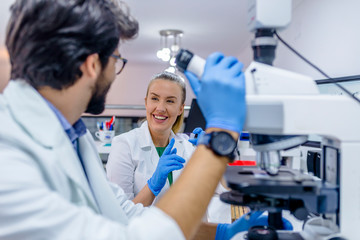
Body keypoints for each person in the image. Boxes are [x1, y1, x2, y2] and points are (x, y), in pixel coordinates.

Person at [0, 0, 288, 239]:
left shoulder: (73, 135)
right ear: (92, 64)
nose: (116, 71)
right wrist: (221, 134)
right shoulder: (8, 156)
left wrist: (223, 232)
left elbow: (130, 216)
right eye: (116, 60)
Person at [106, 72, 194, 205]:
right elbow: (120, 213)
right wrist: (153, 186)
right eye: (154, 99)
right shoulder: (124, 145)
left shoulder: (187, 147)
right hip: (141, 226)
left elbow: (216, 191)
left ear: (181, 109)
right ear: (146, 102)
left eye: (170, 101)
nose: (160, 108)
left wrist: (212, 152)